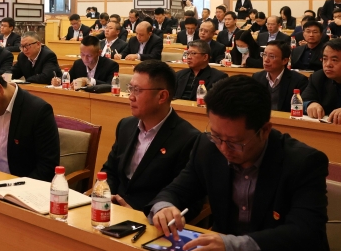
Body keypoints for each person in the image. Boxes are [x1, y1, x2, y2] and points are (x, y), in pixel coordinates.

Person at [149, 75, 329, 251]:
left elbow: (306, 232)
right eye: (216, 136)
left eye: (235, 142)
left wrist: (233, 245)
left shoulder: (303, 162)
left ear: (265, 130)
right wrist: (164, 207)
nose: (223, 148)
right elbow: (177, 190)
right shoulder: (207, 147)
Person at [101, 60, 201, 212]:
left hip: (149, 217)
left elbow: (184, 196)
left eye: (137, 90)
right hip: (113, 210)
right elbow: (110, 170)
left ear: (162, 96)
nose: (130, 97)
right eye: (130, 88)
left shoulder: (188, 138)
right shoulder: (126, 125)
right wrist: (105, 196)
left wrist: (142, 214)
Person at [252, 41, 309, 112]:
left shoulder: (299, 81)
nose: (266, 60)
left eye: (272, 56)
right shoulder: (257, 77)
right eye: (264, 55)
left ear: (284, 60)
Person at [53, 36, 118, 86]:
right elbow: (68, 80)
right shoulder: (78, 63)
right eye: (82, 54)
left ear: (99, 53)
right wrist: (59, 81)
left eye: (89, 55)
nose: (85, 58)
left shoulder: (111, 65)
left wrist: (88, 80)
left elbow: (110, 86)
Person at [305, 38, 341, 123]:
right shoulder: (318, 77)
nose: (328, 64)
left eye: (334, 60)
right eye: (325, 59)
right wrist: (310, 104)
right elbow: (302, 101)